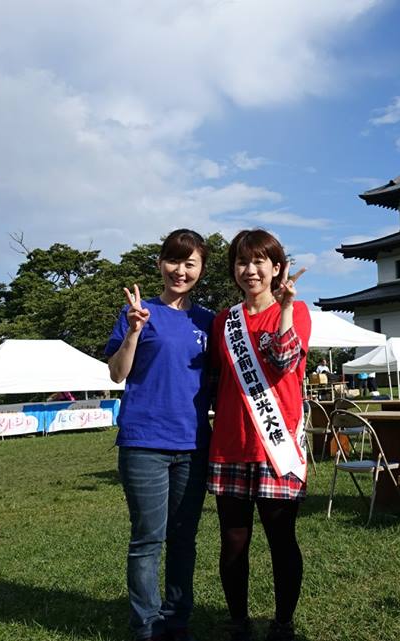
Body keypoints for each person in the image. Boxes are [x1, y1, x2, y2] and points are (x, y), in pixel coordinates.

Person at [105, 229, 214, 641]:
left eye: (190, 264)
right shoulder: (137, 312)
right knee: (148, 538)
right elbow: (118, 373)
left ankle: (178, 618)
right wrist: (133, 331)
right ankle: (147, 625)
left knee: (184, 538)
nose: (180, 271)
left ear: (201, 270)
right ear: (160, 264)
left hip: (193, 444)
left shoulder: (208, 321)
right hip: (144, 442)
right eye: (174, 261)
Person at [208, 229, 311, 641]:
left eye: (258, 262)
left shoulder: (297, 310)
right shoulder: (224, 321)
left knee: (281, 540)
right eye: (241, 262)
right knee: (233, 542)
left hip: (276, 447)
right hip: (231, 443)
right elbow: (214, 377)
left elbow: (285, 359)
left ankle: (283, 622)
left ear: (276, 267)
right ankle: (238, 620)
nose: (250, 270)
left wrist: (284, 308)